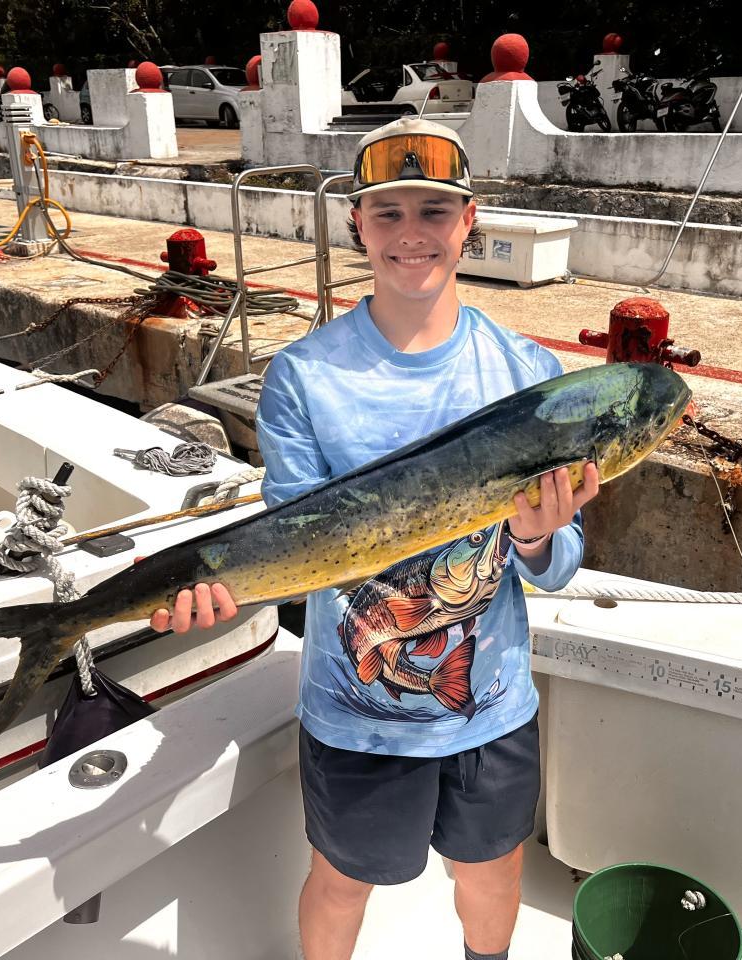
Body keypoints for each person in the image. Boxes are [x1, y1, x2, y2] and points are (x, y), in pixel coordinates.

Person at [150, 116, 599, 960]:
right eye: (387, 213)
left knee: (495, 871)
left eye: (434, 210)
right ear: (356, 224)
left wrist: (539, 540)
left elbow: (560, 566)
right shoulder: (304, 376)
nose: (410, 233)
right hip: (356, 712)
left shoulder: (528, 375)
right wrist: (225, 590)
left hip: (492, 706)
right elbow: (291, 543)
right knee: (341, 881)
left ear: (470, 221)